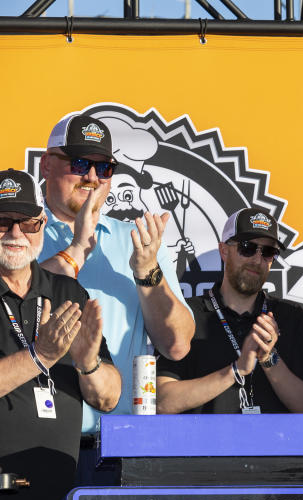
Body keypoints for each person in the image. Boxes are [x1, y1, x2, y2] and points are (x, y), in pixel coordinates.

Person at [36, 114, 194, 481]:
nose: (92, 177)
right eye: (79, 163)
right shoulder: (19, 231)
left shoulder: (136, 239)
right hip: (37, 442)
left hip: (121, 446)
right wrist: (76, 249)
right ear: (46, 164)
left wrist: (147, 271)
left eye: (104, 168)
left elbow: (178, 345)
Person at [0, 169, 119, 500]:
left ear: (42, 223)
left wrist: (88, 363)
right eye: (2, 222)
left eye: (26, 223)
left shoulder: (67, 292)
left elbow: (108, 396)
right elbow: (39, 359)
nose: (14, 234)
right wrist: (41, 356)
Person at [155, 208, 303, 414]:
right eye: (247, 248)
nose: (257, 260)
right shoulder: (188, 314)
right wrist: (236, 370)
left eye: (267, 252)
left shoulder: (290, 316)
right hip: (204, 446)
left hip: (274, 445)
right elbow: (161, 402)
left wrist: (268, 357)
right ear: (224, 251)